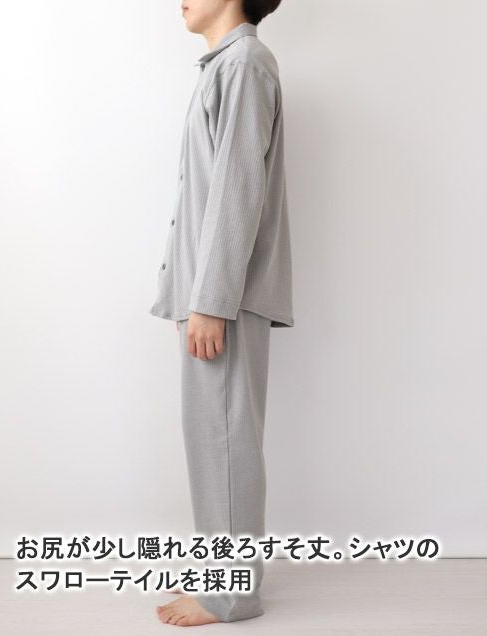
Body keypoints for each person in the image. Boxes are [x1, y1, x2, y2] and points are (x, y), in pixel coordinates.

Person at [150, 0, 294, 626]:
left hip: (221, 299)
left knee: (224, 440)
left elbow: (237, 190)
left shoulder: (244, 64)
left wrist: (210, 302)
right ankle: (221, 578)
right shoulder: (227, 66)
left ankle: (230, 593)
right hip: (210, 294)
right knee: (214, 441)